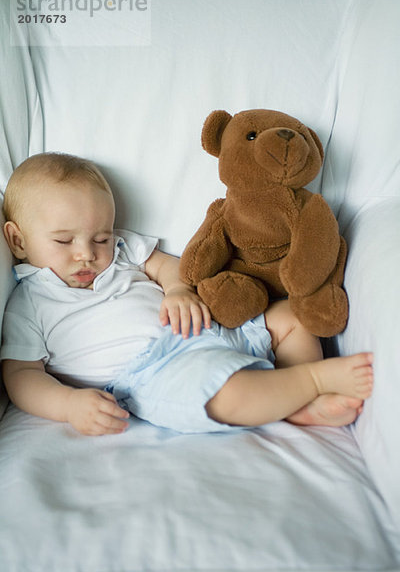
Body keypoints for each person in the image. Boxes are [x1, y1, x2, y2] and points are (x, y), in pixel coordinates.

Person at [0, 153, 373, 436]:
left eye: (101, 237)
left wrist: (177, 288)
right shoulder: (30, 302)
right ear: (18, 240)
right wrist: (68, 405)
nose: (87, 252)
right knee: (226, 394)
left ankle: (293, 395)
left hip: (208, 327)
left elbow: (165, 265)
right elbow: (21, 375)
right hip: (154, 373)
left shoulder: (121, 250)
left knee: (293, 318)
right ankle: (313, 383)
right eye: (64, 241)